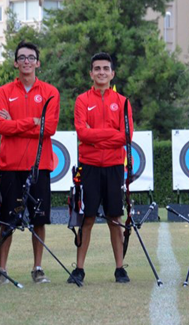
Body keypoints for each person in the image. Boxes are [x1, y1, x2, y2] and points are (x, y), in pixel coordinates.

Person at [0, 41, 60, 285]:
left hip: (39, 166)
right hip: (10, 166)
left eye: (31, 58)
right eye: (22, 57)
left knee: (39, 219)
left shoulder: (50, 92)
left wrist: (17, 123)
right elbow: (1, 126)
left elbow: (49, 128)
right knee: (7, 219)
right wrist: (33, 121)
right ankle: (1, 269)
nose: (27, 62)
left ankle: (37, 267)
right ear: (15, 63)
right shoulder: (3, 92)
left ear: (38, 63)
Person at [67, 52, 133, 284]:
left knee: (115, 218)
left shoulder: (123, 102)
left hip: (114, 166)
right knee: (88, 218)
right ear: (91, 73)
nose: (101, 72)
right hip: (90, 167)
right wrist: (108, 135)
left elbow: (126, 136)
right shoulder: (82, 100)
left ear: (112, 73)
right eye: (97, 68)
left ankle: (119, 268)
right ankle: (79, 269)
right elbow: (82, 133)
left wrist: (95, 138)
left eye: (106, 68)